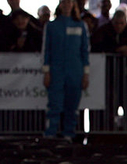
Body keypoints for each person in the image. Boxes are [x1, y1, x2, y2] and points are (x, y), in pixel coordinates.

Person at [42, 0, 90, 140]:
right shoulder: (51, 26)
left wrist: (86, 73)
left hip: (75, 72)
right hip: (56, 72)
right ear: (60, 5)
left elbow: (85, 51)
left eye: (69, 2)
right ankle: (50, 135)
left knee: (72, 105)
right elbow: (46, 50)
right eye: (64, 2)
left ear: (73, 5)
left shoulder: (81, 25)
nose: (67, 5)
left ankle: (68, 135)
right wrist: (46, 71)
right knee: (54, 105)